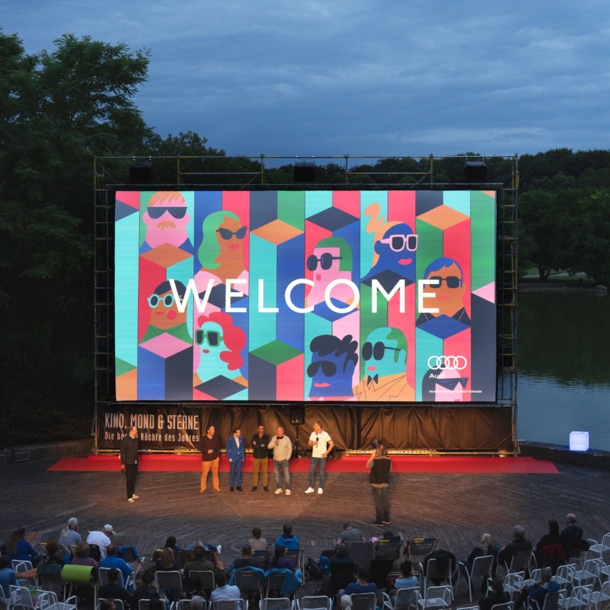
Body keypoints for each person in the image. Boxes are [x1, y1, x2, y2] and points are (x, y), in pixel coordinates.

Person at [305, 421, 334, 495]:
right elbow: (309, 444)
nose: (313, 426)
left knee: (321, 472)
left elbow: (331, 444)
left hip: (322, 457)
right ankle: (311, 487)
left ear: (319, 426)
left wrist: (326, 453)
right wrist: (312, 444)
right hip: (314, 456)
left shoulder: (325, 434)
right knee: (311, 471)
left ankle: (320, 487)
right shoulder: (312, 434)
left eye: (315, 425)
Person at [366, 444, 392, 525]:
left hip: (376, 483)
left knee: (378, 502)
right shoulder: (388, 460)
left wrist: (372, 456)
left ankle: (379, 520)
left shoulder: (374, 460)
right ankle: (386, 519)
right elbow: (390, 470)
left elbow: (367, 465)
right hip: (385, 482)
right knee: (384, 500)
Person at [268, 426, 292, 495]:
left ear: (283, 431)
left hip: (284, 459)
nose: (278, 432)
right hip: (276, 459)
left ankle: (288, 488)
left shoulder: (287, 439)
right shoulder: (274, 438)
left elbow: (290, 449)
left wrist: (287, 458)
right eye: (277, 431)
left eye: (280, 430)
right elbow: (269, 446)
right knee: (277, 475)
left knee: (286, 474)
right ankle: (279, 487)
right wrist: (274, 443)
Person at [120, 426, 139, 503]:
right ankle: (129, 496)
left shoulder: (136, 439)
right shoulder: (125, 440)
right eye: (135, 430)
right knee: (129, 478)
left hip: (135, 461)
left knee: (134, 477)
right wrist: (123, 463)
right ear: (131, 431)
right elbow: (123, 452)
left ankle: (132, 493)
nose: (137, 431)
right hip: (128, 462)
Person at [200, 424, 221, 493]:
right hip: (206, 459)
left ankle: (216, 486)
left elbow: (218, 448)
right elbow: (200, 448)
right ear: (208, 431)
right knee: (204, 474)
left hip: (215, 459)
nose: (214, 431)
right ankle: (203, 488)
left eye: (214, 430)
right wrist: (207, 451)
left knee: (215, 474)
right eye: (212, 429)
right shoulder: (203, 439)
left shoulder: (216, 438)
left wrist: (218, 457)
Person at [251, 424, 270, 492]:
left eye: (262, 429)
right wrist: (260, 446)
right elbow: (253, 446)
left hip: (264, 456)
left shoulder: (266, 437)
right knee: (255, 472)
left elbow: (266, 447)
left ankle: (265, 485)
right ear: (257, 429)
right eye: (260, 428)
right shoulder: (254, 436)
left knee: (265, 472)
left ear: (264, 429)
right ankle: (255, 485)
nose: (261, 430)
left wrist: (257, 445)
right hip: (256, 456)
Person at [226, 428, 245, 492]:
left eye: (240, 432)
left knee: (239, 471)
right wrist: (229, 457)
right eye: (238, 432)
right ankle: (231, 486)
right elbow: (227, 449)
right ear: (234, 433)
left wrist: (242, 456)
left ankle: (238, 485)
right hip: (233, 457)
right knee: (232, 472)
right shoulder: (230, 439)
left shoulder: (241, 438)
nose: (240, 433)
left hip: (239, 457)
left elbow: (242, 447)